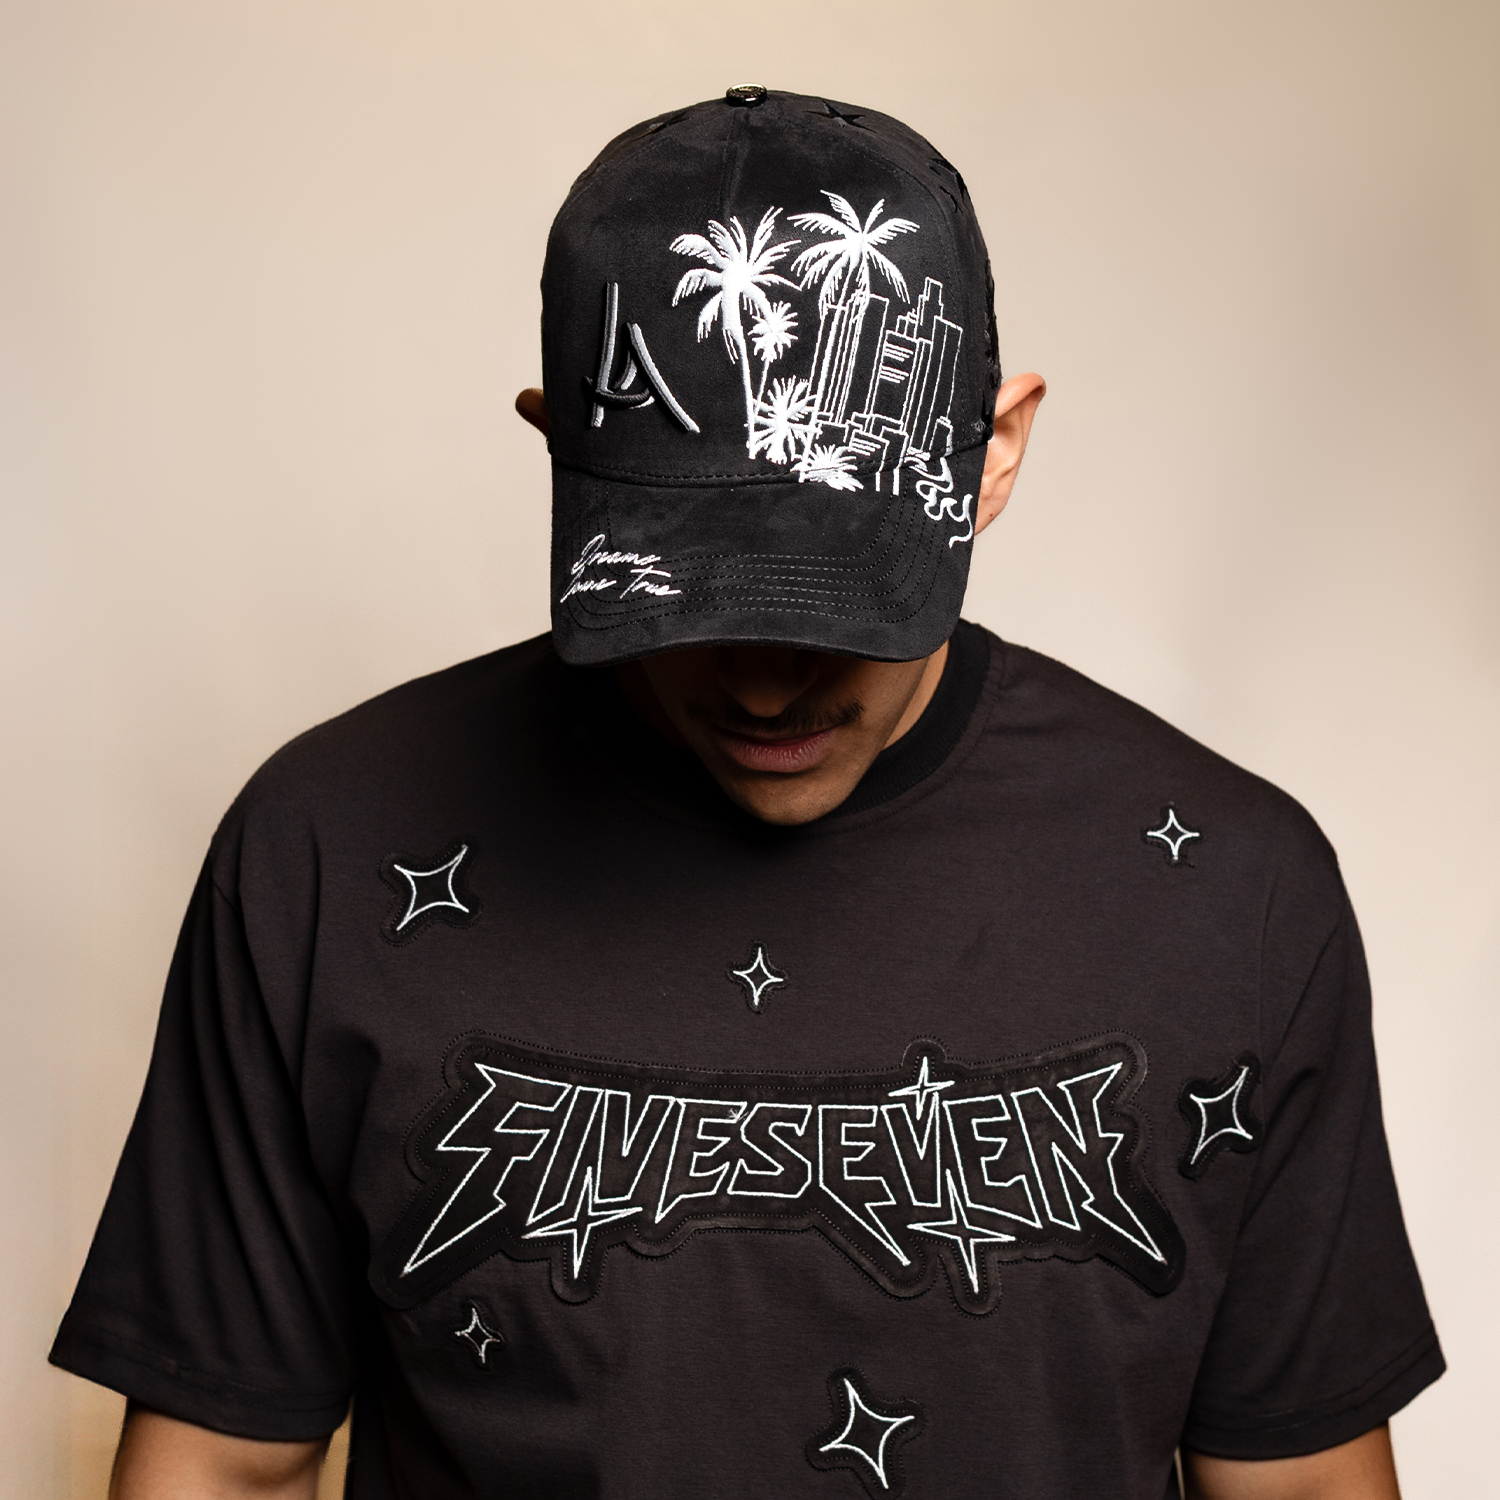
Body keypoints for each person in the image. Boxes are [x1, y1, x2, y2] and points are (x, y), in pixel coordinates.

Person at [51, 87, 1442, 1500]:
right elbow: (223, 1464)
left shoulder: (1233, 889)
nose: (767, 690)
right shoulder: (327, 848)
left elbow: (1305, 1484)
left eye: (838, 599)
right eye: (689, 591)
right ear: (560, 450)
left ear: (994, 452)